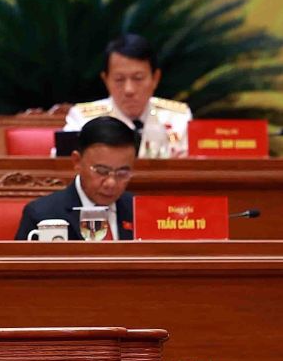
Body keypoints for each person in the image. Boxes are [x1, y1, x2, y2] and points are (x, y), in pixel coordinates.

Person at [63, 33, 191, 158]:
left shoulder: (178, 118)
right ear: (106, 79)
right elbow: (64, 166)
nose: (129, 90)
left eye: (138, 78)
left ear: (155, 78)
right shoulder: (82, 119)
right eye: (119, 79)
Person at [15, 116, 138, 241]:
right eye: (102, 171)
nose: (111, 183)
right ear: (77, 161)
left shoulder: (140, 211)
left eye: (122, 173)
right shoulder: (42, 214)